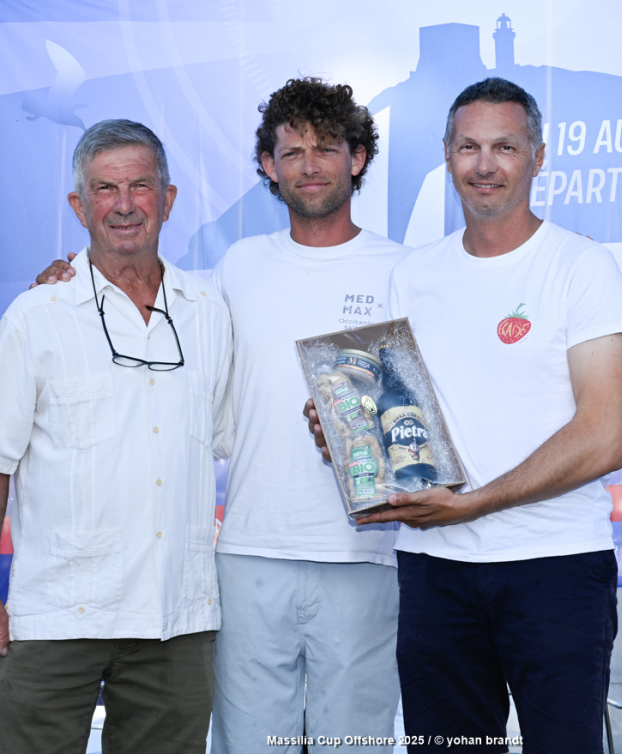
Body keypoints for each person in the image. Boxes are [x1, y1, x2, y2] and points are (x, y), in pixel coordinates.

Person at [34, 79, 407, 754]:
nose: (310, 165)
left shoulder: (404, 270)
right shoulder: (239, 265)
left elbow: (419, 420)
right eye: (292, 152)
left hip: (365, 554)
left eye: (327, 148)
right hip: (245, 555)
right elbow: (144, 306)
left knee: (356, 745)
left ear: (357, 157)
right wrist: (70, 280)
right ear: (269, 165)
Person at [306, 77, 622, 753]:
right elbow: (396, 417)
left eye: (505, 147)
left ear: (537, 158)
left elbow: (604, 437)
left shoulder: (581, 267)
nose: (485, 164)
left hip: (554, 564)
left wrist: (476, 504)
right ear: (447, 155)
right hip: (434, 568)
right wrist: (346, 432)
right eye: (469, 147)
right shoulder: (413, 274)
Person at [0, 119, 233, 754]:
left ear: (168, 199)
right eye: (106, 189)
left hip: (177, 618)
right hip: (58, 617)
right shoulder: (37, 316)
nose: (125, 204)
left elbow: (232, 437)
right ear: (80, 207)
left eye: (141, 186)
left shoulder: (209, 314)